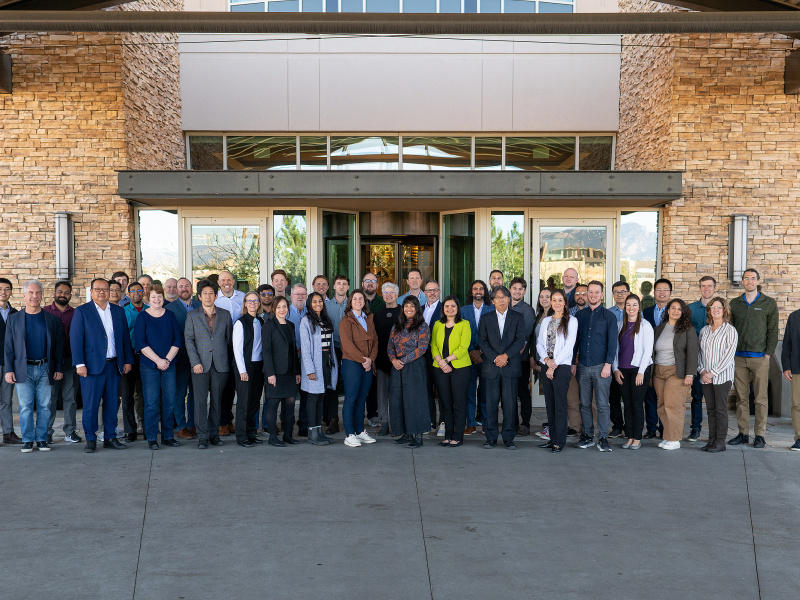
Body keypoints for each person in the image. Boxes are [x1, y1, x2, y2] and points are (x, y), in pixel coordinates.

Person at [70, 278, 133, 453]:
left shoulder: (118, 311)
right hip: (91, 367)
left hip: (114, 365)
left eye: (105, 289)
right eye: (97, 289)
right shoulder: (82, 311)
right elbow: (76, 339)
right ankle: (90, 438)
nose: (102, 292)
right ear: (91, 291)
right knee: (91, 404)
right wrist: (80, 364)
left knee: (112, 403)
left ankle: (110, 437)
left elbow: (125, 339)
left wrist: (127, 360)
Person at [3, 280, 64, 453]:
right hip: (23, 369)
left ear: (42, 295)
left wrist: (58, 368)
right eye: (30, 293)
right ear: (24, 295)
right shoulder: (14, 319)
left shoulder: (51, 319)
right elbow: (8, 347)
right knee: (25, 406)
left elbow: (59, 346)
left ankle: (42, 439)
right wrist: (9, 370)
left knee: (45, 406)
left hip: (45, 368)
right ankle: (28, 439)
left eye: (37, 293)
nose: (34, 296)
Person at [729, 268, 778, 449]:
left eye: (753, 278)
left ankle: (760, 435)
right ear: (742, 282)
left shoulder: (768, 303)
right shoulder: (735, 303)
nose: (749, 281)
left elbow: (773, 331)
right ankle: (743, 433)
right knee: (741, 398)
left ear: (758, 281)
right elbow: (730, 330)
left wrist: (768, 354)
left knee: (760, 398)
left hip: (760, 358)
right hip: (739, 357)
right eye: (746, 278)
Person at [184, 279, 232, 449]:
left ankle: (214, 433)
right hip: (200, 366)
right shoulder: (192, 315)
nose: (208, 296)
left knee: (217, 401)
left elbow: (228, 339)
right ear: (200, 296)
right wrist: (195, 362)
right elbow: (188, 341)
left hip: (220, 365)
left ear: (216, 296)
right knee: (200, 402)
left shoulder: (225, 315)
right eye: (205, 293)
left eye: (211, 293)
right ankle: (202, 436)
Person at [479, 286, 526, 450]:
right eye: (497, 297)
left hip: (510, 366)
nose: (501, 300)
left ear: (509, 299)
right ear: (492, 301)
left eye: (504, 297)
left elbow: (520, 340)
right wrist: (495, 357)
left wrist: (505, 356)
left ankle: (508, 438)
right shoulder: (486, 318)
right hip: (491, 368)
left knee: (510, 404)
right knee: (490, 404)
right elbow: (482, 342)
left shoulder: (518, 317)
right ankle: (491, 438)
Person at [135, 284, 182, 450]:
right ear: (148, 298)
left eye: (160, 297)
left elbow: (177, 340)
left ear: (163, 298)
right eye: (154, 297)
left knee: (169, 402)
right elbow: (141, 343)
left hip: (169, 365)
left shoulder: (170, 315)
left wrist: (166, 360)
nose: (157, 300)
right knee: (151, 403)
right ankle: (152, 437)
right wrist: (158, 361)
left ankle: (168, 436)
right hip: (149, 366)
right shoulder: (143, 317)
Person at [573, 280, 618, 452]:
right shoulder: (579, 316)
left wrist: (608, 365)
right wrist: (572, 364)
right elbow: (575, 342)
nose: (592, 295)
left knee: (602, 404)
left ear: (602, 295)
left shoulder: (609, 317)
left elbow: (612, 344)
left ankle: (603, 438)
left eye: (596, 292)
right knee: (584, 403)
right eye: (589, 292)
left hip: (601, 366)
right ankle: (587, 436)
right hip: (583, 365)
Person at [651, 298, 698, 450]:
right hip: (658, 371)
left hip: (676, 372)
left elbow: (692, 353)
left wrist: (690, 374)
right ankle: (668, 436)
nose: (676, 311)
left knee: (674, 406)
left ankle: (675, 439)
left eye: (679, 309)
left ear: (683, 312)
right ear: (668, 310)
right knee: (662, 405)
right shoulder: (659, 328)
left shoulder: (688, 329)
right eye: (673, 308)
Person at [536, 289, 577, 453]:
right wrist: (546, 360)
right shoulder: (546, 321)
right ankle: (552, 438)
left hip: (562, 367)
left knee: (560, 404)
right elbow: (539, 343)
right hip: (547, 365)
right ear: (551, 302)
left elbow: (569, 346)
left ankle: (559, 441)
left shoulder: (571, 321)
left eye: (560, 300)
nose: (557, 303)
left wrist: (554, 364)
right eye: (554, 300)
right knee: (550, 404)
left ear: (565, 302)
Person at [388, 296, 431, 448]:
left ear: (417, 308)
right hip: (397, 366)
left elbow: (422, 348)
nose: (409, 309)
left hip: (414, 366)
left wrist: (403, 361)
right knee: (398, 400)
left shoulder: (422, 326)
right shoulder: (397, 325)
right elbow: (390, 345)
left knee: (415, 402)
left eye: (412, 306)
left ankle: (418, 436)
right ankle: (406, 434)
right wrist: (393, 360)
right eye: (406, 306)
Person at [612, 294, 654, 450]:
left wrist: (641, 372)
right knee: (627, 405)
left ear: (639, 306)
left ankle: (637, 437)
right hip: (622, 371)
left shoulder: (645, 325)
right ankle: (629, 436)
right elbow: (614, 350)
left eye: (634, 304)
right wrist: (615, 369)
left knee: (637, 405)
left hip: (638, 370)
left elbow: (647, 351)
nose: (631, 308)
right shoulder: (618, 325)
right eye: (628, 305)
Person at [430, 295, 472, 447]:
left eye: (453, 306)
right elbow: (433, 344)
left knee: (459, 403)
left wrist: (446, 360)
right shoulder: (437, 324)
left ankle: (458, 436)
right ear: (443, 309)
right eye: (447, 306)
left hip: (460, 368)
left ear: (457, 308)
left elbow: (463, 347)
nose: (449, 309)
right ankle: (448, 435)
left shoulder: (464, 324)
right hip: (440, 368)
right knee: (445, 403)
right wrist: (441, 362)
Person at [339, 289, 378, 447]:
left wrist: (370, 360)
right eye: (354, 298)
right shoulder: (346, 321)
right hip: (352, 364)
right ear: (350, 302)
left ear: (364, 301)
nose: (358, 301)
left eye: (360, 298)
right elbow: (347, 346)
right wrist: (363, 360)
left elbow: (375, 341)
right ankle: (349, 434)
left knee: (362, 399)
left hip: (367, 364)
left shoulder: (369, 318)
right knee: (351, 398)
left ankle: (360, 431)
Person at [43, 280, 81, 444]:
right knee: (50, 398)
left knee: (70, 398)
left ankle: (70, 431)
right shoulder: (44, 312)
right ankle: (47, 431)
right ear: (54, 293)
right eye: (60, 292)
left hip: (71, 361)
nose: (63, 295)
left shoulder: (76, 313)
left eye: (66, 293)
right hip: (50, 363)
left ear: (70, 295)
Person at [698, 297, 737, 453]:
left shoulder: (730, 330)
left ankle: (720, 441)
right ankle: (711, 439)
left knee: (720, 409)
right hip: (705, 376)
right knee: (710, 409)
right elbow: (699, 353)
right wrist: (702, 371)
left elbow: (729, 355)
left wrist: (712, 373)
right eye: (713, 307)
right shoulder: (704, 330)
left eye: (719, 307)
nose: (715, 310)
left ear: (724, 310)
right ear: (709, 310)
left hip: (722, 376)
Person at [300, 292, 338, 446]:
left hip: (326, 360)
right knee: (313, 398)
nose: (318, 304)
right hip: (314, 362)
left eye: (320, 301)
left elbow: (330, 343)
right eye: (314, 301)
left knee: (322, 396)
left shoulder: (325, 319)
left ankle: (319, 431)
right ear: (310, 303)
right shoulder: (306, 321)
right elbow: (306, 347)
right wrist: (309, 369)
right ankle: (312, 433)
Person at [261, 296, 300, 446]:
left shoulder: (290, 325)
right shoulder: (268, 326)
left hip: (290, 372)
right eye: (278, 307)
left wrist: (297, 372)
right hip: (275, 372)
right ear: (273, 309)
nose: (282, 310)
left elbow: (293, 351)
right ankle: (272, 437)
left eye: (284, 307)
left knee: (290, 404)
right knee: (273, 403)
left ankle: (288, 436)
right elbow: (266, 351)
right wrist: (270, 373)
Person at [165, 277, 201, 440]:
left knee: (195, 393)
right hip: (179, 357)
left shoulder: (201, 305)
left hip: (199, 357)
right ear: (176, 290)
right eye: (181, 287)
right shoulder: (169, 308)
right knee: (179, 393)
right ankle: (181, 426)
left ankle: (193, 424)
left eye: (187, 286)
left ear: (192, 288)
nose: (184, 289)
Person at [687, 275, 718, 442]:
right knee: (697, 396)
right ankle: (695, 429)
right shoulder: (691, 309)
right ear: (700, 288)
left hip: (716, 362)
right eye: (703, 286)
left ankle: (716, 433)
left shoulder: (721, 308)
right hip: (697, 360)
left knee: (716, 399)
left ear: (714, 288)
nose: (706, 289)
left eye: (709, 286)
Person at [215, 270, 246, 436]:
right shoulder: (214, 298)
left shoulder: (242, 297)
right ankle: (222, 422)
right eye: (222, 280)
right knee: (223, 385)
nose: (226, 282)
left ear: (233, 281)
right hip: (221, 346)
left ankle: (229, 419)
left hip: (239, 346)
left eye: (228, 279)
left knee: (234, 385)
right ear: (219, 282)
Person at [232, 291, 265, 448]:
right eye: (249, 301)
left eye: (255, 301)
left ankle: (251, 432)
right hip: (245, 367)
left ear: (258, 304)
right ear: (245, 303)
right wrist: (242, 370)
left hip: (259, 366)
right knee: (243, 403)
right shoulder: (240, 323)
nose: (253, 303)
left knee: (254, 402)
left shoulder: (261, 321)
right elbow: (237, 349)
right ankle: (242, 435)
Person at [642, 278, 673, 439]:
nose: (661, 293)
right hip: (649, 358)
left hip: (668, 360)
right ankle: (651, 427)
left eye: (665, 290)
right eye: (658, 290)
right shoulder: (646, 312)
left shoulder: (675, 311)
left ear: (670, 293)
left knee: (666, 397)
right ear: (654, 293)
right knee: (650, 395)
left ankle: (664, 427)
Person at [461, 279, 493, 434]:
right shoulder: (463, 310)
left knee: (486, 392)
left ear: (485, 292)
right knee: (469, 391)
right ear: (471, 292)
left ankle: (486, 424)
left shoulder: (491, 309)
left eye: (481, 288)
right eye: (475, 289)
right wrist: (471, 351)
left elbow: (494, 335)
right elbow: (460, 333)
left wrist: (481, 351)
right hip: (467, 356)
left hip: (486, 357)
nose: (478, 291)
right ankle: (471, 424)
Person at [509, 277, 535, 436]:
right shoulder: (504, 306)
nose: (517, 291)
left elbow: (524, 337)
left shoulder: (527, 310)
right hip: (506, 358)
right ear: (510, 289)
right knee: (509, 393)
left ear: (524, 291)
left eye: (520, 289)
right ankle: (513, 424)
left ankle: (525, 424)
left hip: (520, 358)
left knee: (522, 391)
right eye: (514, 288)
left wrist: (511, 354)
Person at [121, 281, 147, 441]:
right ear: (128, 294)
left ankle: (146, 428)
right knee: (127, 395)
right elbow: (121, 337)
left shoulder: (150, 310)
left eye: (139, 290)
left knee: (145, 394)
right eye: (133, 291)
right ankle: (130, 430)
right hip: (129, 356)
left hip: (146, 356)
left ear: (143, 292)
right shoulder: (123, 312)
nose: (136, 293)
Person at [323, 275, 349, 433]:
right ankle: (333, 419)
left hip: (349, 350)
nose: (341, 286)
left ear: (347, 287)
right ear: (333, 286)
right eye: (338, 283)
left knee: (349, 385)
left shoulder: (353, 304)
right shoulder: (326, 306)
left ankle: (350, 419)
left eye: (344, 284)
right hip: (332, 349)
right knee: (332, 385)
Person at [373, 283, 400, 436]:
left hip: (399, 360)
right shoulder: (377, 314)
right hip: (382, 360)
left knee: (397, 394)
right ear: (382, 295)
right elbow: (374, 338)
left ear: (397, 295)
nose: (388, 295)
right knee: (381, 394)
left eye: (392, 292)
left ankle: (397, 423)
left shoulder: (403, 311)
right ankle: (384, 423)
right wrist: (375, 359)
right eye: (385, 293)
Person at [607, 280, 630, 439]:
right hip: (613, 360)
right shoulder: (608, 313)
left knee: (629, 398)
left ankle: (630, 427)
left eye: (623, 292)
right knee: (613, 397)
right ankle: (617, 426)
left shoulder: (634, 310)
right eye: (616, 292)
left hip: (629, 362)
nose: (620, 294)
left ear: (628, 293)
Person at [287, 283, 309, 436]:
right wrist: (296, 349)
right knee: (290, 395)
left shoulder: (311, 312)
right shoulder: (285, 311)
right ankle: (287, 424)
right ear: (291, 296)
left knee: (306, 395)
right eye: (297, 294)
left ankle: (303, 425)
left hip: (307, 360)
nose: (300, 297)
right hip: (290, 359)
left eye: (303, 294)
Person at [422, 279, 443, 434]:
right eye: (429, 290)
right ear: (424, 293)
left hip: (441, 357)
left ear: (439, 292)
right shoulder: (419, 309)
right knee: (427, 390)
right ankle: (430, 421)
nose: (432, 293)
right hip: (423, 357)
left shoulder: (445, 309)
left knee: (442, 391)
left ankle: (443, 422)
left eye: (435, 290)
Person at [782, 305, 800, 452]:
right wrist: (786, 365)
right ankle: (799, 438)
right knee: (797, 405)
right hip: (797, 368)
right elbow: (787, 343)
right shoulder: (794, 317)